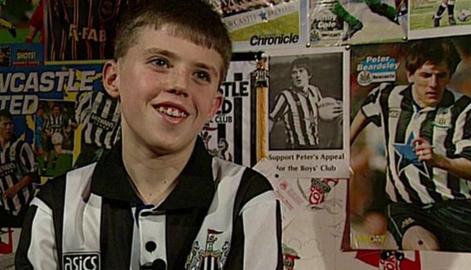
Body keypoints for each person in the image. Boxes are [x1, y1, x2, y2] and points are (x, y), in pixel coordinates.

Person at [16, 1, 283, 269]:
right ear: (113, 78)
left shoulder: (249, 200)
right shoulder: (54, 207)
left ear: (214, 104)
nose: (179, 85)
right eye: (160, 62)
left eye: (201, 75)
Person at [350, 40, 471, 251]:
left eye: (441, 76)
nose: (433, 84)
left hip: (453, 208)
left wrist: (439, 160)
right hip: (407, 208)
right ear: (411, 75)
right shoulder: (388, 97)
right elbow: (361, 117)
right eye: (426, 75)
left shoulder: (466, 110)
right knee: (424, 248)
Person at [269, 57, 342, 149]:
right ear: (291, 77)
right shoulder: (285, 96)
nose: (298, 75)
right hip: (295, 149)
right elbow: (270, 120)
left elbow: (322, 109)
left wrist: (340, 107)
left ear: (309, 74)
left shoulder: (314, 91)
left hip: (315, 147)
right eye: (294, 72)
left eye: (301, 71)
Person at [0, 110, 38, 227]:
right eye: (5, 124)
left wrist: (15, 188)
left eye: (10, 124)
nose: (8, 128)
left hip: (25, 205)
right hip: (4, 208)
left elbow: (34, 174)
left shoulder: (21, 146)